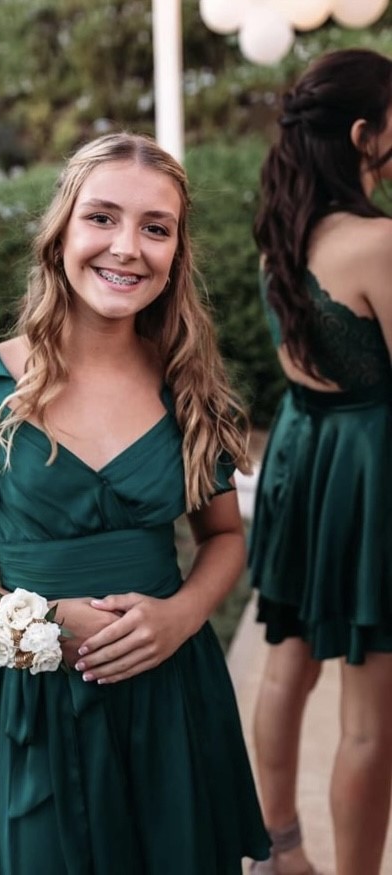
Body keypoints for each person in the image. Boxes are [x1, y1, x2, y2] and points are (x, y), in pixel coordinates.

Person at [0, 131, 270, 874]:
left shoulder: (190, 387)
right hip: (42, 698)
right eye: (102, 217)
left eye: (155, 227)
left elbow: (224, 537)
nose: (127, 247)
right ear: (61, 231)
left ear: (176, 254)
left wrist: (181, 614)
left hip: (173, 692)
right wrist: (25, 621)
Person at [248, 49, 392, 875]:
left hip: (303, 453)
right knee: (372, 717)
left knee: (289, 663)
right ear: (366, 135)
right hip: (368, 471)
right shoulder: (377, 244)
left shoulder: (282, 234)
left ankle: (278, 849)